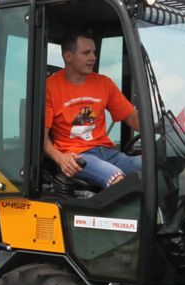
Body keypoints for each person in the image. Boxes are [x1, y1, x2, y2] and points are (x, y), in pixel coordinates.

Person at [44, 29, 140, 189]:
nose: (93, 58)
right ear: (68, 56)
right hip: (78, 156)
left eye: (94, 52)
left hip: (108, 152)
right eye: (86, 53)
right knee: (118, 180)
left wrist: (158, 129)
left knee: (152, 170)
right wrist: (61, 158)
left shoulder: (104, 83)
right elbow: (41, 139)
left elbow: (132, 118)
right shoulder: (50, 87)